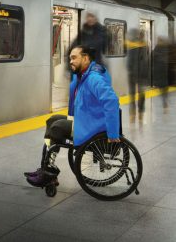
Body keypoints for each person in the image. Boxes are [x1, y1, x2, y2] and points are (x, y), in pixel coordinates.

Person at [24, 45, 120, 188]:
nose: (70, 61)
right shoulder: (82, 74)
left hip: (92, 126)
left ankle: (49, 172)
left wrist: (113, 133)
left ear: (86, 58)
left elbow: (111, 101)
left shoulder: (94, 78)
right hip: (85, 119)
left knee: (57, 128)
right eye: (70, 58)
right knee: (52, 120)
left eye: (74, 58)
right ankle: (45, 167)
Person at [126, 28, 148, 123]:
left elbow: (145, 61)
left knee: (139, 94)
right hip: (134, 74)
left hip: (141, 74)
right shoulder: (134, 45)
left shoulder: (144, 45)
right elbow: (130, 60)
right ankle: (133, 112)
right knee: (133, 94)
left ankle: (139, 112)